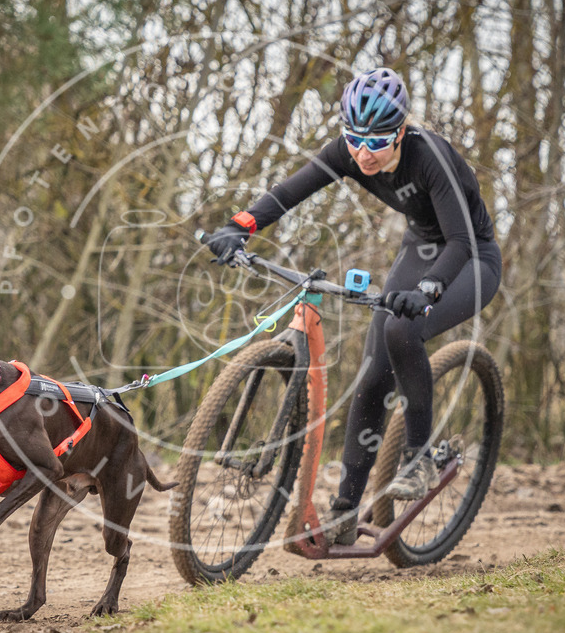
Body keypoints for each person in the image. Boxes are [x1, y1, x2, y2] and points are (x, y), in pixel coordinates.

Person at [204, 67, 501, 544]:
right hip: (422, 246)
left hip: (469, 259)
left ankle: (420, 458)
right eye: (354, 139)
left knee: (402, 330)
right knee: (372, 374)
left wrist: (426, 292)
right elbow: (287, 193)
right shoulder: (349, 151)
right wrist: (240, 226)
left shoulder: (430, 160)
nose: (363, 153)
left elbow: (462, 241)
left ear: (401, 131)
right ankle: (344, 513)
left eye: (378, 142)